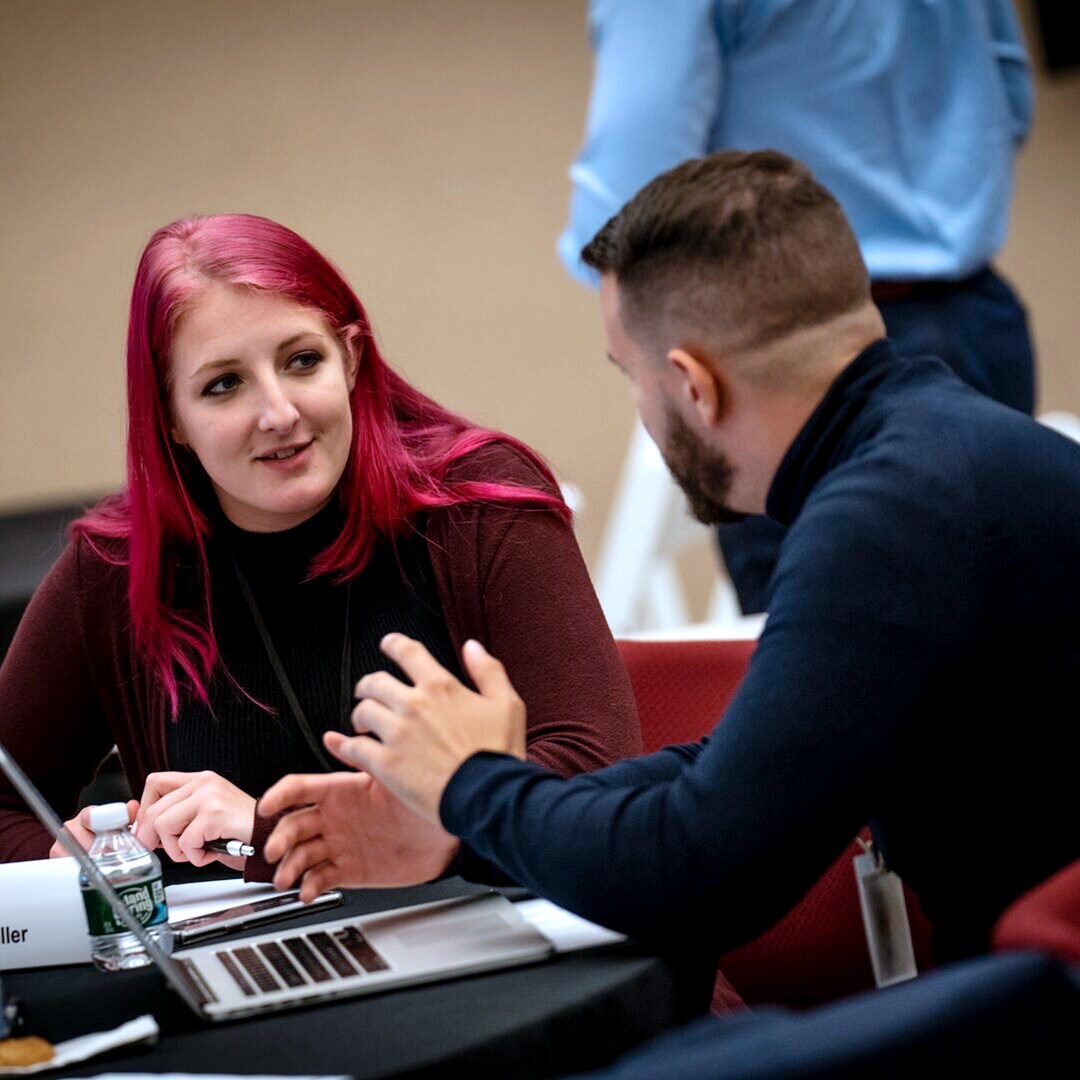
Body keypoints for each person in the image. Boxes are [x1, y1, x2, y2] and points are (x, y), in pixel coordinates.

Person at [262, 151, 1080, 968]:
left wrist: (473, 784)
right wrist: (462, 819)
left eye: (632, 376)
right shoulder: (945, 451)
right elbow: (745, 768)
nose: (642, 407)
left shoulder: (884, 519)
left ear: (693, 386)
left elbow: (700, 871)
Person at [0, 214, 641, 881]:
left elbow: (599, 781)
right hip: (259, 979)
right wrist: (71, 862)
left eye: (302, 361)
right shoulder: (115, 571)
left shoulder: (478, 503)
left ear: (352, 359)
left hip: (533, 957)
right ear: (172, 420)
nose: (278, 413)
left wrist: (272, 834)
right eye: (224, 385)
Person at [558, 0, 1037, 613]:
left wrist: (639, 328)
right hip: (978, 317)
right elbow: (1011, 100)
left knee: (838, 665)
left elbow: (629, 189)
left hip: (781, 342)